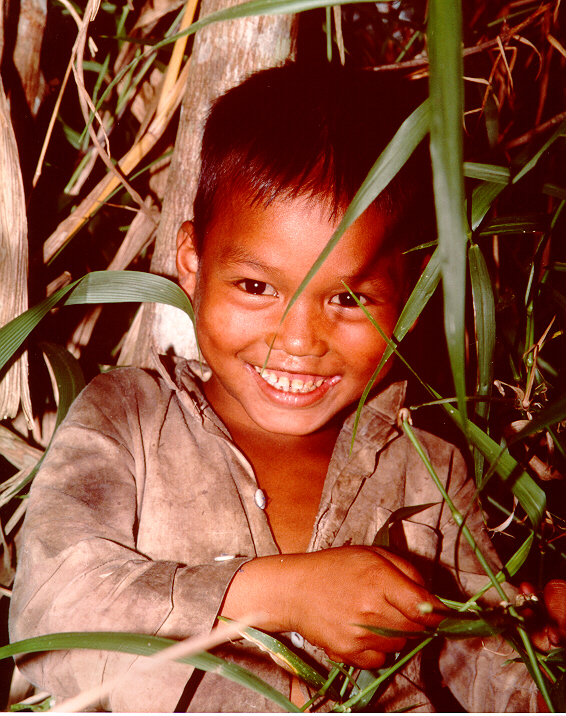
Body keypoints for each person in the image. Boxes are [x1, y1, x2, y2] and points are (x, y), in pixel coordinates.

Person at [9, 63, 565, 713]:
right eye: (257, 287)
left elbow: (487, 667)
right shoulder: (127, 417)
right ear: (192, 264)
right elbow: (49, 613)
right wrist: (277, 594)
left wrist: (537, 645)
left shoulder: (427, 467)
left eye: (349, 298)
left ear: (408, 298)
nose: (298, 340)